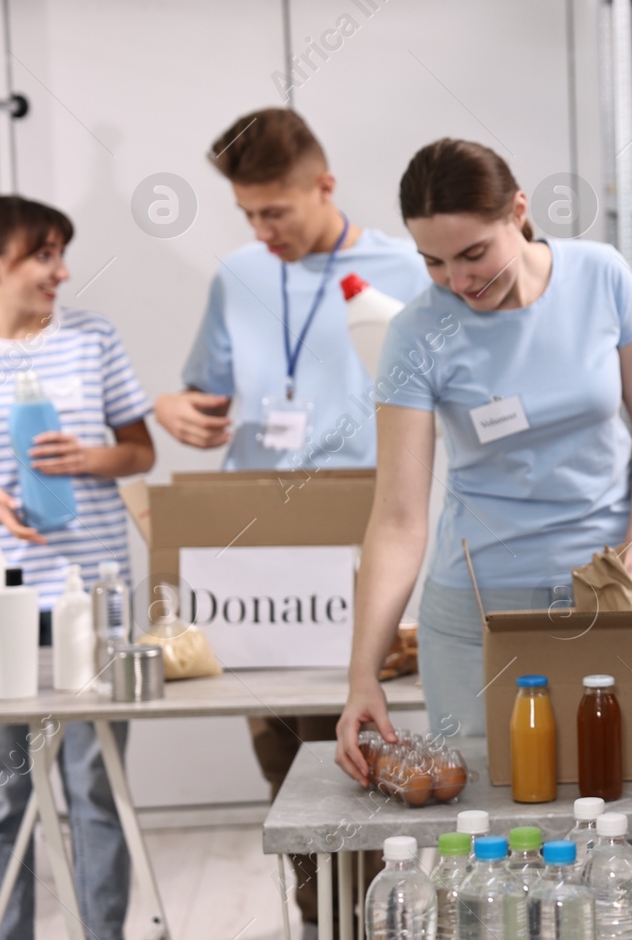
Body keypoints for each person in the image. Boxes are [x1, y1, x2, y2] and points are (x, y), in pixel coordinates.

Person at [152, 108, 429, 930]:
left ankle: (379, 915)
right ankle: (319, 917)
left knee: (353, 747)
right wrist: (173, 408)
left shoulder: (407, 268)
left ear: (325, 186)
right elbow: (203, 391)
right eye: (247, 213)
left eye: (275, 210)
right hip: (252, 556)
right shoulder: (237, 275)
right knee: (279, 752)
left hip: (358, 543)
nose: (261, 229)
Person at [334, 138, 632, 778]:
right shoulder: (416, 332)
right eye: (432, 262)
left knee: (611, 802)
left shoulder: (599, 276)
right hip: (477, 609)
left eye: (473, 254)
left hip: (607, 588)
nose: (458, 282)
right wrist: (362, 679)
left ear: (518, 211)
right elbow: (398, 518)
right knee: (479, 822)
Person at [0, 196, 155, 940]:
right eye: (42, 255)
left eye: (61, 253)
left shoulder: (91, 338)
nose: (61, 271)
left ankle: (99, 934)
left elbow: (139, 451)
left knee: (94, 787)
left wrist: (89, 456)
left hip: (93, 591)